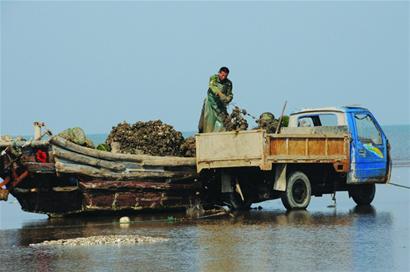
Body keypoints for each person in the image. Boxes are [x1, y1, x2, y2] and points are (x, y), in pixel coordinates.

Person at [198, 67, 233, 133]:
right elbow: (212, 86)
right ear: (219, 73)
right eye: (222, 75)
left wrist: (228, 99)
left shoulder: (228, 83)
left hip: (220, 105)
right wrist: (220, 94)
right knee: (206, 121)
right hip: (210, 103)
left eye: (226, 76)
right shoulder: (213, 78)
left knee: (224, 121)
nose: (224, 77)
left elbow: (230, 94)